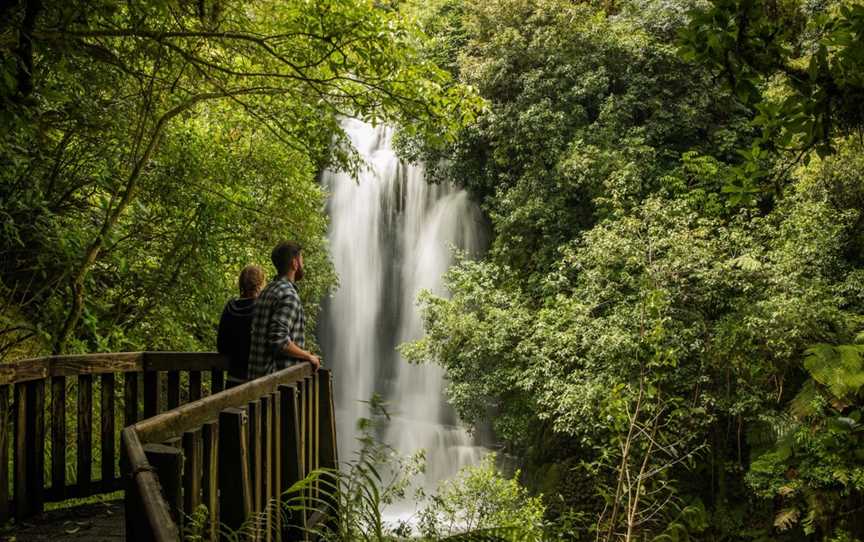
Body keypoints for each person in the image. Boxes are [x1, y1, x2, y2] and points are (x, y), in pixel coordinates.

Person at [248, 241, 320, 379]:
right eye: (301, 260)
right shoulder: (288, 295)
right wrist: (308, 356)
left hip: (256, 382)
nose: (303, 265)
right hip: (274, 387)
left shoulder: (267, 291)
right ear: (294, 263)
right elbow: (279, 340)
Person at [217, 264, 266, 384]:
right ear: (261, 284)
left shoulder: (230, 307)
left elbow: (221, 346)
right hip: (256, 379)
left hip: (233, 377)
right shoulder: (262, 307)